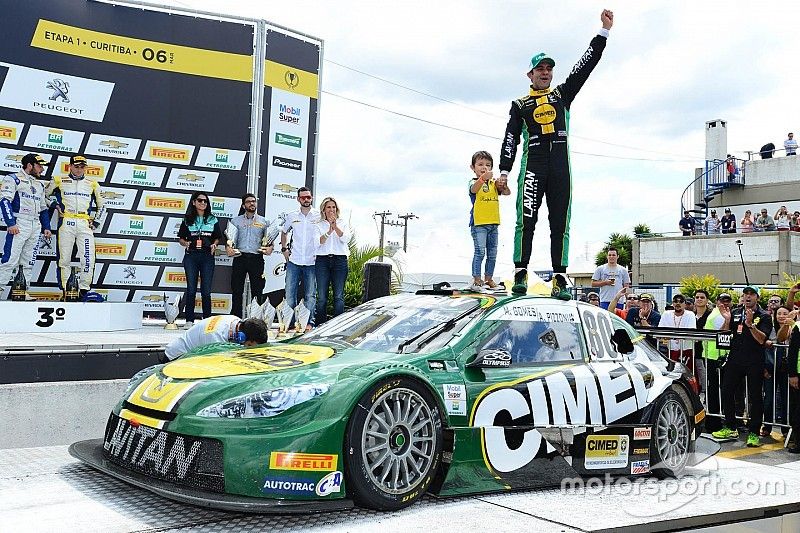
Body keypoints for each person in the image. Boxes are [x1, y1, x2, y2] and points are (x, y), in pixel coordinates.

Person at [499, 9, 614, 297]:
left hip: (561, 162)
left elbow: (584, 66)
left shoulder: (563, 94)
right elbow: (510, 137)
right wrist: (504, 171)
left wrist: (604, 32)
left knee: (560, 221)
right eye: (540, 69)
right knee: (526, 219)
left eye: (549, 69)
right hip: (534, 163)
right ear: (530, 73)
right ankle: (521, 272)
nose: (546, 73)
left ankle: (560, 277)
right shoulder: (519, 104)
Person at [712, 286, 773, 447]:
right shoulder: (736, 312)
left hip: (754, 361)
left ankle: (753, 432)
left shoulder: (765, 316)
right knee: (726, 390)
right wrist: (726, 320)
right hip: (735, 359)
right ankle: (731, 427)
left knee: (755, 397)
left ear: (757, 298)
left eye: (751, 294)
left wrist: (750, 324)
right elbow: (725, 334)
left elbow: (761, 340)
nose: (747, 297)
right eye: (745, 294)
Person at [47, 154, 105, 298]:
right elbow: (44, 196)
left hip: (84, 223)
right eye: (76, 166)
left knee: (88, 258)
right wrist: (54, 205)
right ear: (70, 166)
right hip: (66, 221)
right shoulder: (59, 180)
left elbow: (102, 205)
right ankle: (67, 291)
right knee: (64, 259)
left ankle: (84, 290)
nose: (79, 170)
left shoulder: (92, 184)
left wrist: (96, 221)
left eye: (82, 167)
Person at [0, 153, 51, 299]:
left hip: (35, 225)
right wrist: (11, 223)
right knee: (10, 259)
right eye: (39, 166)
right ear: (30, 165)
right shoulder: (13, 179)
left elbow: (43, 208)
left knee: (28, 261)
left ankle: (21, 291)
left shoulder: (39, 184)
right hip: (19, 223)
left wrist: (46, 227)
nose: (42, 169)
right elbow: (4, 201)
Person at [178, 192, 223, 328]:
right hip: (191, 256)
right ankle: (189, 320)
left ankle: (207, 321)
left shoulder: (212, 219)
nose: (203, 203)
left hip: (207, 257)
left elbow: (217, 237)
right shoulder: (187, 219)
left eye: (205, 201)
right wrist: (185, 244)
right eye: (200, 200)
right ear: (193, 202)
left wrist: (215, 244)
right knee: (191, 289)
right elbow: (181, 238)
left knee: (206, 290)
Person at [467, 151, 509, 291]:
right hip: (479, 224)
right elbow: (474, 190)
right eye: (480, 164)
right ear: (473, 167)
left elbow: (507, 192)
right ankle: (477, 279)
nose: (484, 167)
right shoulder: (473, 182)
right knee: (480, 252)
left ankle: (489, 278)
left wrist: (502, 184)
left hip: (493, 223)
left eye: (488, 165)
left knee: (492, 253)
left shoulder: (493, 183)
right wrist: (483, 178)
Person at [280, 187, 322, 330]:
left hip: (312, 261)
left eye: (308, 197)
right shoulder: (292, 216)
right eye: (303, 197)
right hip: (294, 261)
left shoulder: (318, 215)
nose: (306, 200)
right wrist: (284, 249)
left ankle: (309, 323)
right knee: (290, 294)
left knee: (310, 295)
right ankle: (289, 323)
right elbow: (284, 232)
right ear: (298, 199)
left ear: (311, 198)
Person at [226, 193, 273, 319]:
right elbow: (229, 241)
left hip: (256, 259)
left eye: (253, 201)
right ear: (243, 205)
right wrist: (228, 248)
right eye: (248, 202)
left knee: (257, 291)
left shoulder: (264, 222)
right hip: (239, 258)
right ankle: (235, 319)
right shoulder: (235, 221)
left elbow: (269, 242)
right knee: (236, 291)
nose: (252, 203)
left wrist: (269, 249)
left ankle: (256, 320)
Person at [162, 315, 269, 362]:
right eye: (249, 346)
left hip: (191, 356)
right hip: (175, 358)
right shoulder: (215, 337)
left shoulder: (235, 321)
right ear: (241, 337)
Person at [315, 196, 350, 325]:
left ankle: (337, 326)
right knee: (322, 298)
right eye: (329, 207)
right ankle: (320, 325)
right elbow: (318, 242)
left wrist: (335, 227)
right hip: (322, 261)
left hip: (340, 260)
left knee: (338, 296)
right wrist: (329, 231)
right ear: (324, 209)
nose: (331, 210)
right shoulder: (318, 224)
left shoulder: (343, 223)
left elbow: (346, 239)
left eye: (333, 207)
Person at [703, 293, 733, 432]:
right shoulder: (717, 315)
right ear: (717, 302)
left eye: (728, 301)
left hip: (718, 357)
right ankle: (715, 421)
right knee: (715, 391)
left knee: (719, 390)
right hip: (715, 358)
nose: (725, 303)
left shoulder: (722, 313)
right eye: (722, 301)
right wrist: (727, 321)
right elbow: (724, 333)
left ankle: (717, 420)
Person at [658, 294, 697, 372]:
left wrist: (672, 336)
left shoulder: (690, 315)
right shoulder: (666, 314)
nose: (678, 303)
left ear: (685, 304)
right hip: (670, 350)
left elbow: (690, 331)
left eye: (681, 301)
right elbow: (660, 331)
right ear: (673, 303)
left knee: (687, 374)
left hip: (686, 351)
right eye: (675, 301)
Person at [782, 306, 800, 452]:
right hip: (798, 375)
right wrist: (792, 374)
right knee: (797, 409)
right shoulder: (798, 327)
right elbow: (793, 353)